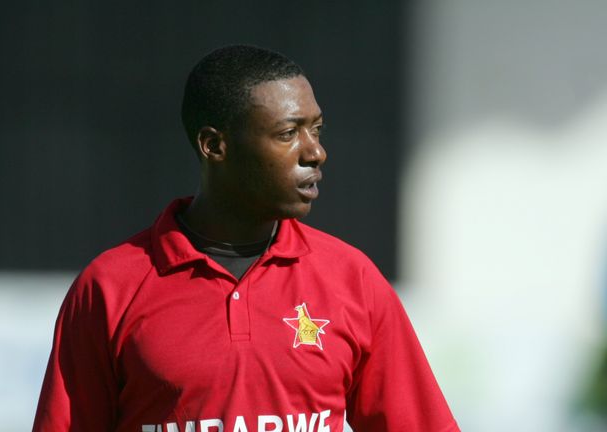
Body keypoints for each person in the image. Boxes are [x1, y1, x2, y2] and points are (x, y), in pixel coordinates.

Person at [33, 45, 459, 432]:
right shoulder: (109, 287)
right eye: (288, 133)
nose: (315, 152)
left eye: (316, 130)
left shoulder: (353, 279)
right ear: (214, 146)